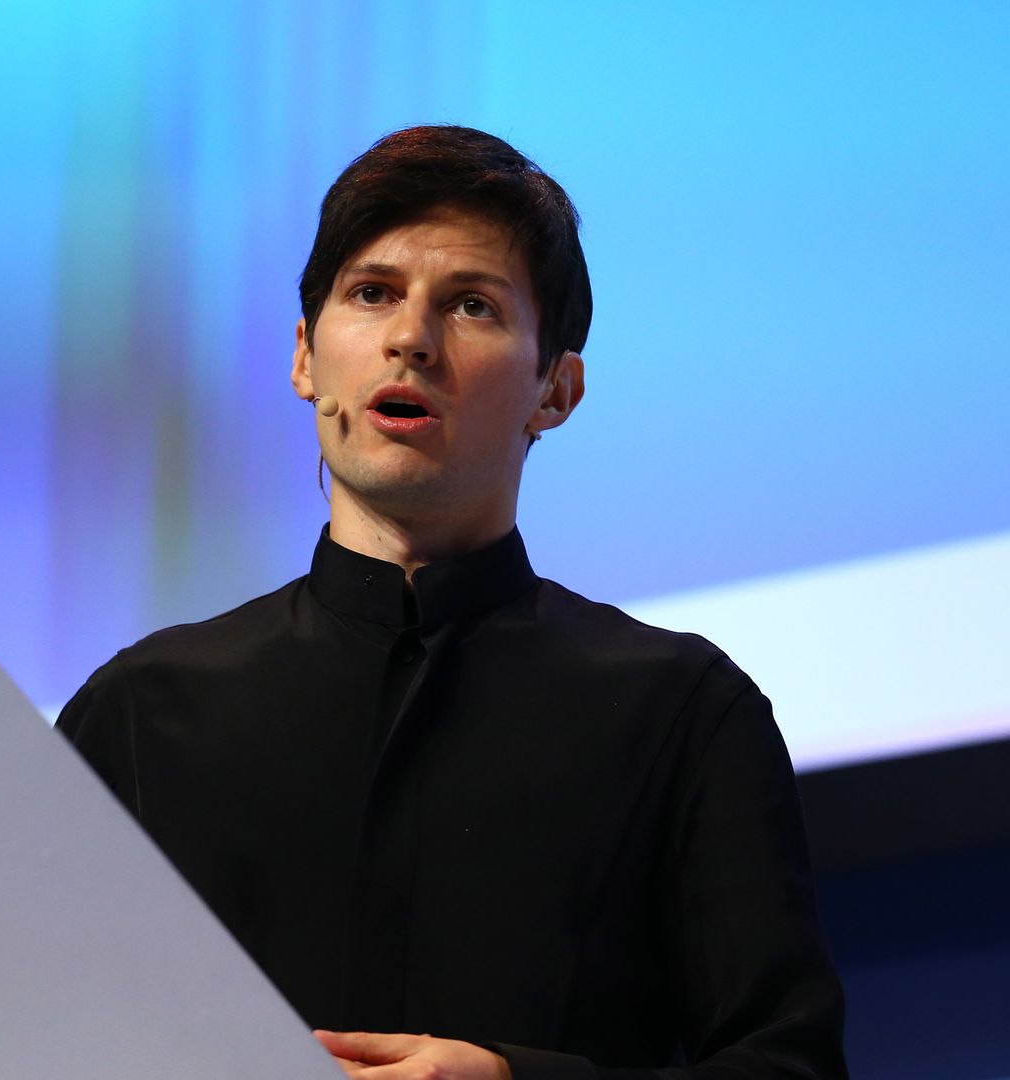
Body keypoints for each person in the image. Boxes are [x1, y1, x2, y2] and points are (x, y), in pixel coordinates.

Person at [54, 125, 847, 1079]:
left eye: (471, 305)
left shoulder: (681, 714)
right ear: (307, 356)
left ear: (556, 390)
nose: (410, 339)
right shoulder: (142, 710)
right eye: (372, 293)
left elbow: (787, 1066)